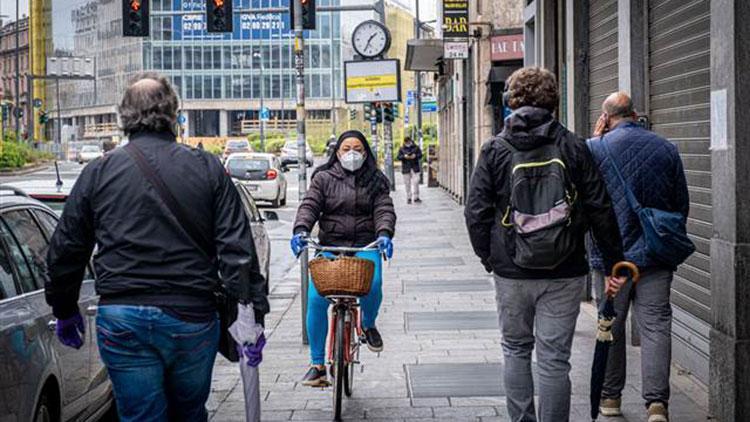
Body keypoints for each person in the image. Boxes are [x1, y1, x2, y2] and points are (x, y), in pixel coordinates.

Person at [45, 73, 269, 422]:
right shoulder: (207, 167)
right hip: (191, 317)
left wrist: (64, 308)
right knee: (189, 413)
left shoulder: (99, 171)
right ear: (174, 113)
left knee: (140, 416)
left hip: (123, 316)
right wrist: (252, 317)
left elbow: (67, 247)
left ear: (123, 116)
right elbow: (237, 250)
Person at [464, 67, 627, 422]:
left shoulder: (494, 149)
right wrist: (615, 261)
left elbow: (475, 211)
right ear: (554, 101)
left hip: (511, 271)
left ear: (511, 102)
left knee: (516, 350)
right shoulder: (573, 145)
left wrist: (490, 258)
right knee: (554, 359)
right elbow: (600, 206)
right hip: (565, 270)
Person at [587, 92, 689, 422]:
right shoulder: (666, 148)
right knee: (657, 325)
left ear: (606, 117)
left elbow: (588, 205)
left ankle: (611, 399)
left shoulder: (596, 148)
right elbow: (680, 204)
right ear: (635, 114)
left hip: (613, 260)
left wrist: (597, 138)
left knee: (610, 326)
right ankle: (657, 405)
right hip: (655, 256)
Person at [290, 129, 396, 387]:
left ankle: (368, 325)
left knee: (373, 284)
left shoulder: (376, 180)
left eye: (358, 149)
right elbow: (310, 205)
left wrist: (384, 234)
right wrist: (301, 230)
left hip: (365, 245)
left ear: (366, 152)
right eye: (346, 149)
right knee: (315, 298)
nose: (352, 154)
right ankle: (317, 365)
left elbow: (384, 209)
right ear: (337, 152)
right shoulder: (323, 178)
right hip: (329, 245)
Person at [397, 136, 423, 204]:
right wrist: (404, 157)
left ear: (411, 141)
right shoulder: (402, 148)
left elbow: (420, 155)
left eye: (409, 142)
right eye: (406, 142)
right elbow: (398, 157)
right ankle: (409, 197)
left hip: (415, 167)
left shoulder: (416, 147)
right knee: (407, 183)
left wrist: (415, 156)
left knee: (416, 181)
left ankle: (416, 197)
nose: (407, 143)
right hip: (406, 168)